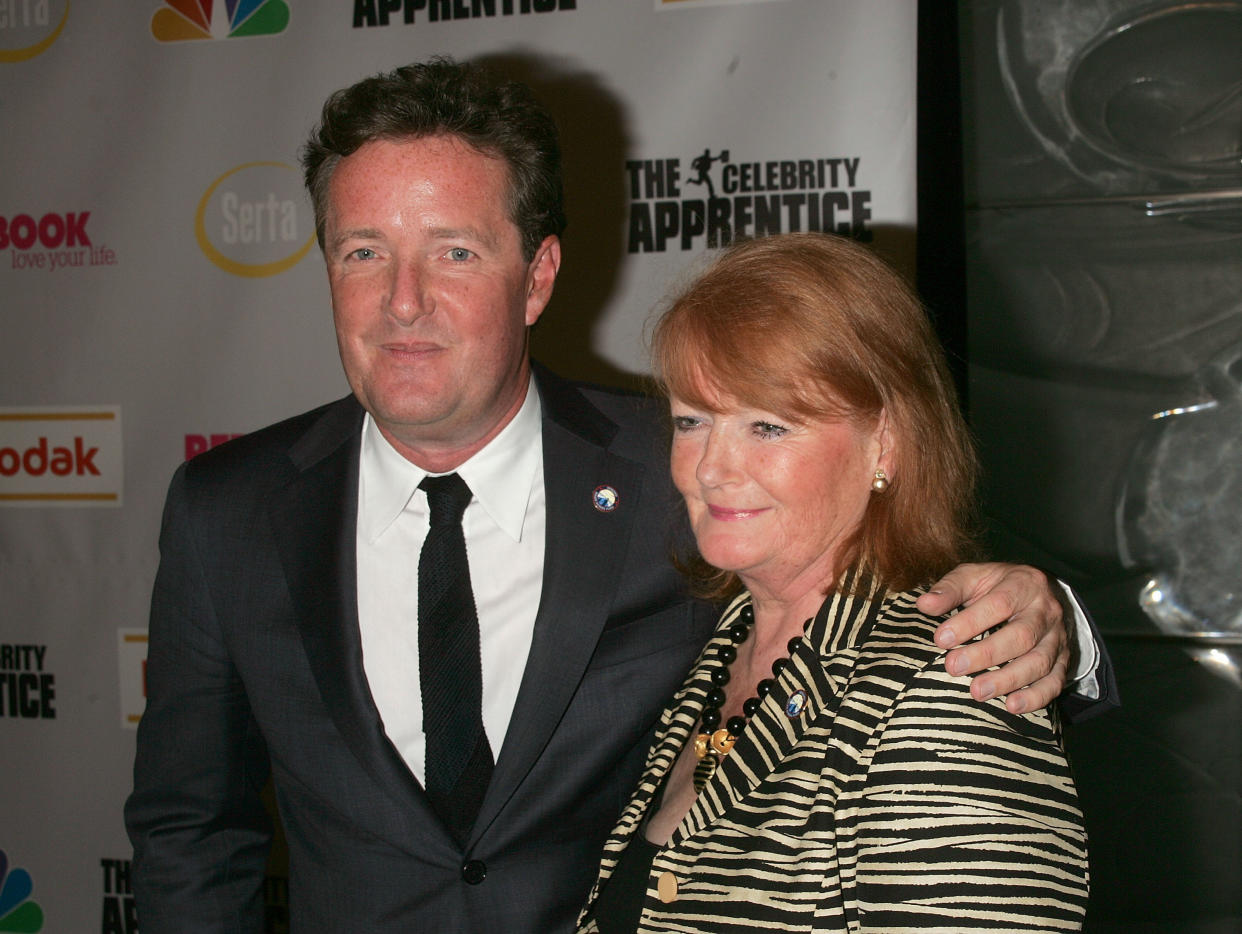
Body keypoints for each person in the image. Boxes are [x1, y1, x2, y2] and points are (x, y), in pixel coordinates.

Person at [125, 60, 1106, 933]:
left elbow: (873, 585)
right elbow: (190, 826)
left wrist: (1051, 618)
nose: (403, 300)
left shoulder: (685, 469)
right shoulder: (227, 511)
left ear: (538, 275)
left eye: (454, 251)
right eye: (363, 250)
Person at [576, 233, 1090, 933]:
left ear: (886, 442)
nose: (711, 469)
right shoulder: (721, 657)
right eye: (693, 421)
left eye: (767, 426)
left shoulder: (948, 688)